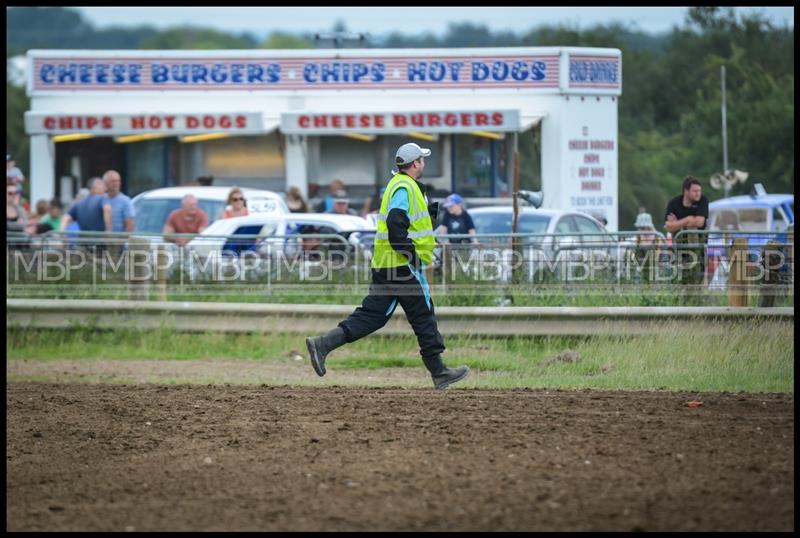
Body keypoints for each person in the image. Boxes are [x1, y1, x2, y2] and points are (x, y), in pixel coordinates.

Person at [305, 142, 469, 389]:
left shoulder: (399, 185)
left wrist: (428, 212)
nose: (424, 163)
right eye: (422, 160)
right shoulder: (404, 186)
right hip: (402, 266)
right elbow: (396, 223)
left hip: (386, 264)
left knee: (373, 316)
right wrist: (411, 255)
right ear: (415, 163)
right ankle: (439, 372)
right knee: (423, 314)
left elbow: (404, 219)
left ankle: (323, 344)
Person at [664, 175, 709, 292]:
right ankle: (680, 307)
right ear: (686, 191)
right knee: (680, 280)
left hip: (699, 249)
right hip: (679, 249)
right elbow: (668, 227)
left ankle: (696, 305)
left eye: (699, 190)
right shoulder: (674, 203)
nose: (698, 193)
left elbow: (700, 222)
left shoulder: (703, 201)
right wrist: (687, 219)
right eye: (695, 191)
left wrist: (678, 223)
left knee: (698, 279)